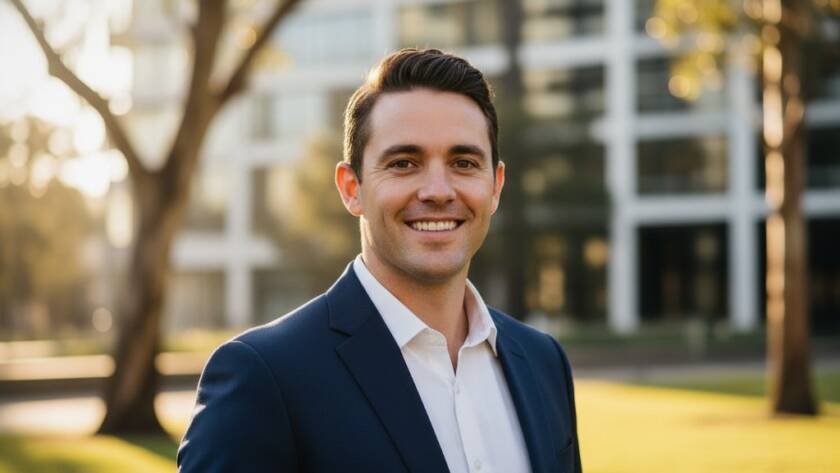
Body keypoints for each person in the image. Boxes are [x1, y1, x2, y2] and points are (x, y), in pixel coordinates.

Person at [177, 48, 582, 473]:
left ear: (495, 186)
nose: (438, 191)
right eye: (404, 163)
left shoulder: (543, 362)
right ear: (351, 187)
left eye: (463, 163)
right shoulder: (264, 377)